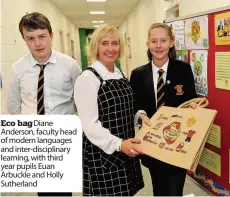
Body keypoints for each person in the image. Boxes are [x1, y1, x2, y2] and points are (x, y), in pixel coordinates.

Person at [6, 12, 81, 196]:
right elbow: (14, 107)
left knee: (63, 191)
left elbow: (80, 100)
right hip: (35, 138)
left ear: (51, 35)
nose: (38, 43)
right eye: (30, 38)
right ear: (24, 39)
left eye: (42, 36)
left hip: (62, 137)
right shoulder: (18, 69)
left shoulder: (69, 65)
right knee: (44, 191)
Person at [74, 24, 144, 196]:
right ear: (95, 46)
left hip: (125, 151)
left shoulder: (119, 73)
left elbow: (124, 108)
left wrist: (138, 116)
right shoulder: (87, 78)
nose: (111, 49)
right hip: (103, 156)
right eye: (104, 43)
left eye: (115, 43)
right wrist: (119, 144)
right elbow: (90, 125)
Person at [130, 23, 197, 196]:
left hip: (177, 143)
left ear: (172, 42)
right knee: (159, 189)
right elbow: (135, 106)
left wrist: (193, 106)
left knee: (175, 191)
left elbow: (191, 99)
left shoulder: (183, 70)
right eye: (154, 41)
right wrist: (141, 115)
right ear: (148, 44)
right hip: (152, 143)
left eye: (163, 40)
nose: (158, 45)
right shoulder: (138, 74)